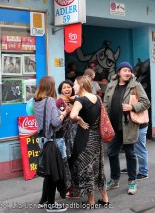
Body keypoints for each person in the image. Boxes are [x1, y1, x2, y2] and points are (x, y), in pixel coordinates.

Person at [103, 62, 150, 195]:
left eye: (129, 70)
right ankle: (114, 179)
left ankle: (132, 181)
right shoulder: (111, 85)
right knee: (112, 153)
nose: (127, 72)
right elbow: (106, 104)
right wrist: (105, 121)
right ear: (119, 72)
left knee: (130, 154)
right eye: (125, 70)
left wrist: (132, 107)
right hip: (113, 126)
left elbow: (146, 102)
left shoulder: (135, 85)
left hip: (129, 125)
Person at [69, 76, 110, 208]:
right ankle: (105, 198)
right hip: (96, 138)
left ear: (81, 85)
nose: (72, 87)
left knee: (87, 168)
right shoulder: (97, 98)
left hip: (84, 138)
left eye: (74, 85)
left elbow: (72, 115)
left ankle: (91, 200)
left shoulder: (80, 100)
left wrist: (79, 120)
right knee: (98, 168)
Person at [33, 76, 67, 212]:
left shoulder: (35, 101)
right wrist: (64, 114)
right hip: (51, 141)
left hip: (42, 140)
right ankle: (51, 204)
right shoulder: (50, 101)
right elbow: (55, 122)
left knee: (48, 172)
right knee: (54, 172)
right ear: (50, 87)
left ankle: (43, 200)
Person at [56, 80, 78, 198]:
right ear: (60, 90)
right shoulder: (58, 102)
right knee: (67, 162)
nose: (67, 89)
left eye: (69, 87)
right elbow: (57, 120)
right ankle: (68, 188)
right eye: (64, 88)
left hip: (76, 135)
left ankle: (76, 187)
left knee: (76, 161)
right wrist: (66, 111)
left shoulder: (76, 100)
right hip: (64, 138)